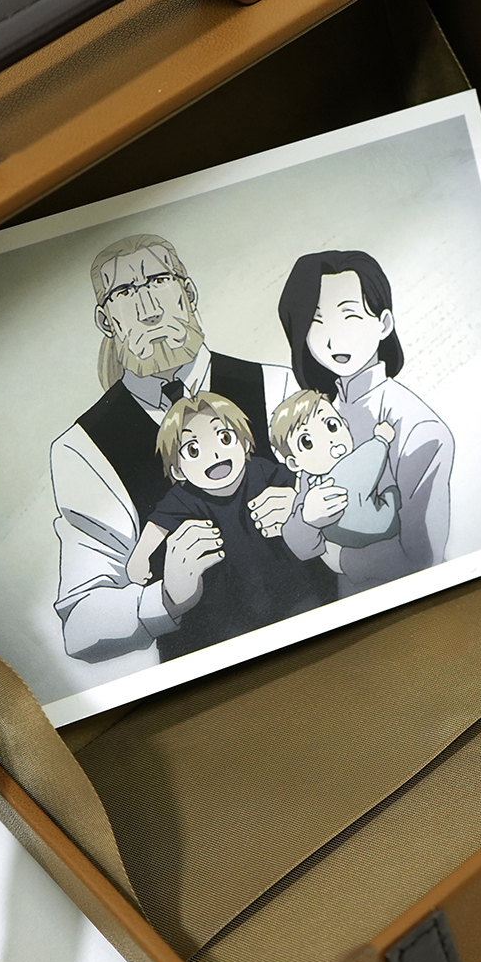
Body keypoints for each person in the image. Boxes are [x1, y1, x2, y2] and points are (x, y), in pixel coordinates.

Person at [49, 234, 323, 666]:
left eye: (158, 281)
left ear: (187, 292)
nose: (148, 309)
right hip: (213, 677)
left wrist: (308, 510)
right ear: (106, 320)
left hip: (326, 638)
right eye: (125, 293)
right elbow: (80, 628)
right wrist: (165, 598)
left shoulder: (278, 386)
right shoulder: (82, 449)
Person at [275, 251, 453, 594]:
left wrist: (343, 560)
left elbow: (423, 557)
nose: (333, 339)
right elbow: (299, 544)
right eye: (316, 321)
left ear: (383, 324)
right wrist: (307, 519)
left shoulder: (418, 428)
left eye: (350, 316)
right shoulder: (316, 422)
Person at [119, 393, 326, 657]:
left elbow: (300, 485)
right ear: (178, 470)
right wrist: (140, 557)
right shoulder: (183, 497)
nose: (214, 453)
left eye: (224, 438)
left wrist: (296, 501)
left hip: (289, 587)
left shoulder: (261, 470)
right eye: (194, 450)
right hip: (229, 609)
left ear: (244, 443)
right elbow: (159, 523)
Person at [268, 390, 400, 573]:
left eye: (331, 426)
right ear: (294, 463)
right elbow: (299, 544)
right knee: (391, 497)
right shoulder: (308, 482)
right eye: (307, 442)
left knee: (391, 498)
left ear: (345, 424)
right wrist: (307, 519)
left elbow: (371, 457)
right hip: (360, 539)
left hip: (379, 526)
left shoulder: (355, 459)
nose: (328, 441)